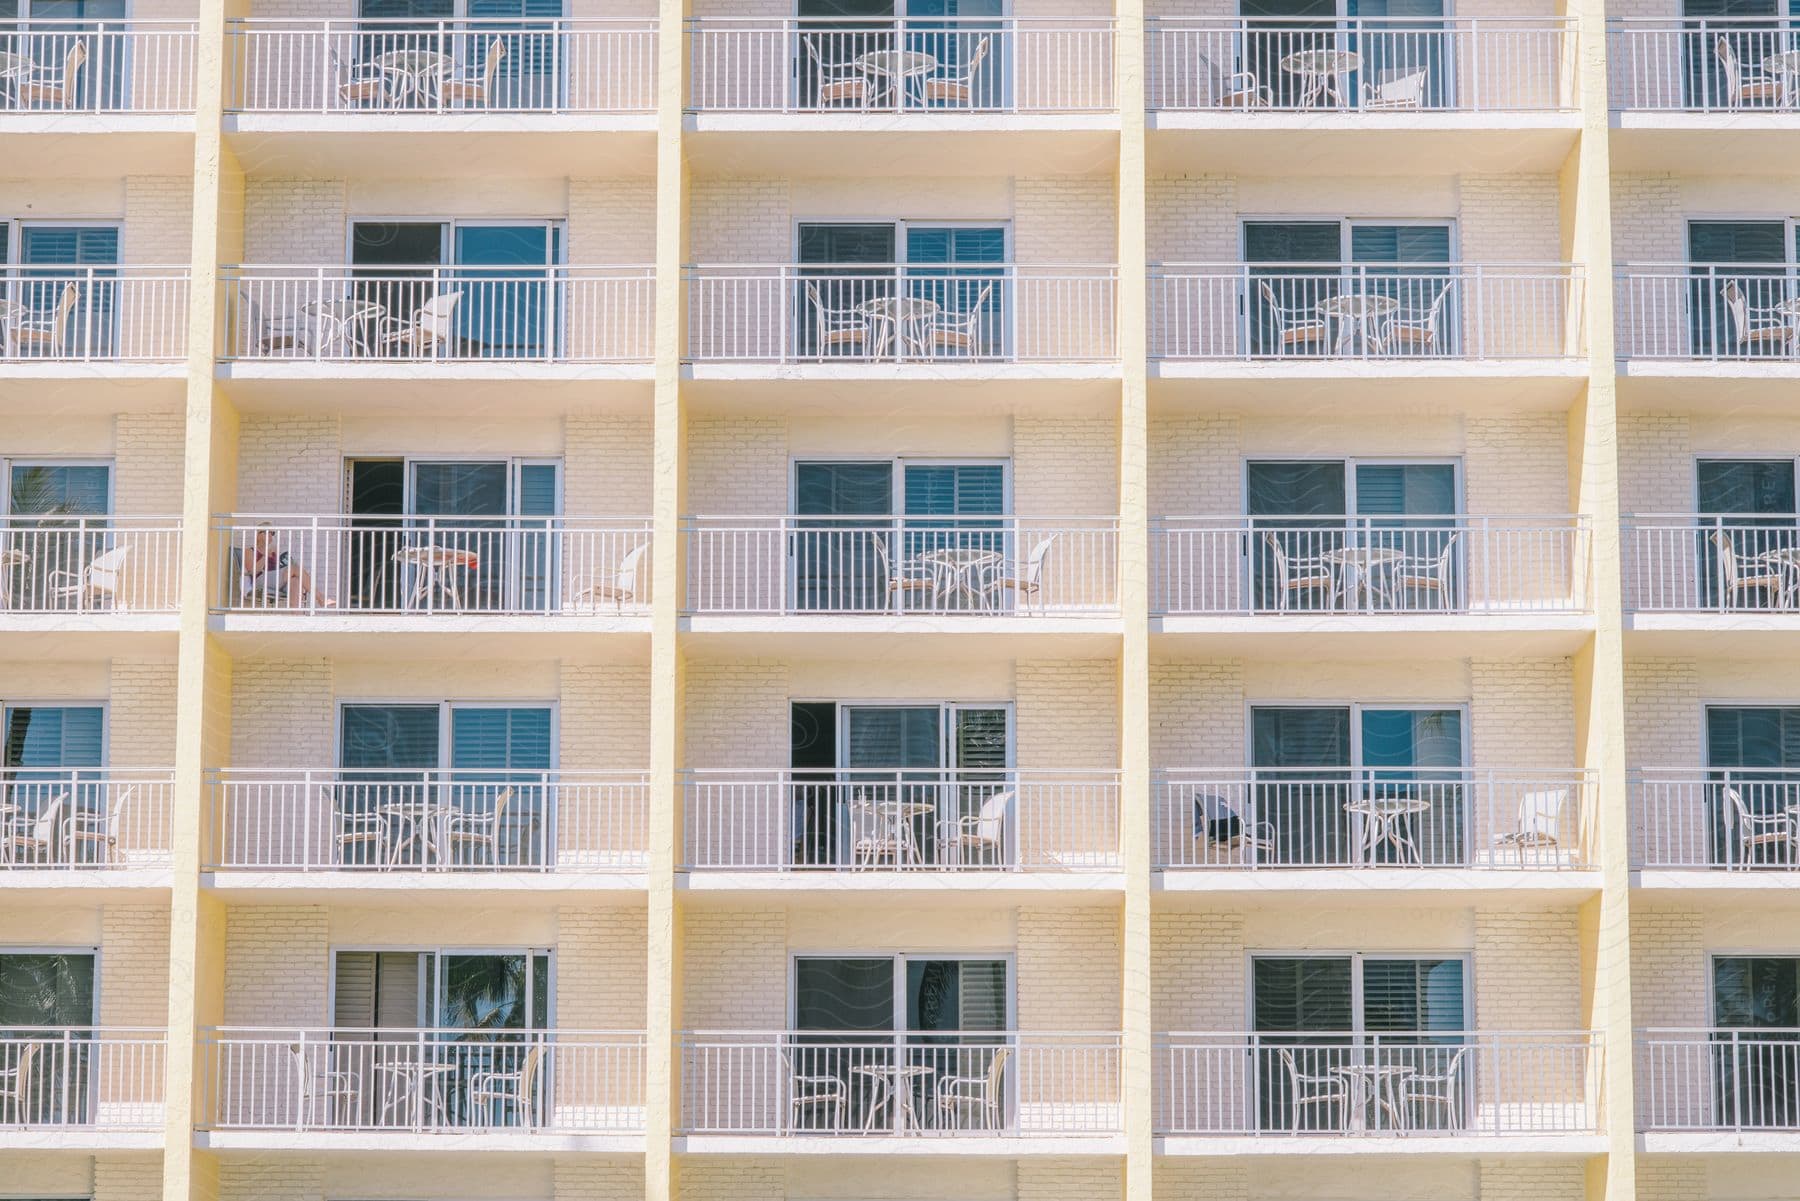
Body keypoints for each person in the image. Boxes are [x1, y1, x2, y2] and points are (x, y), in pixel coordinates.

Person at [239, 524, 334, 607]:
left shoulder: (273, 551)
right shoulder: (250, 551)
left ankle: (297, 616)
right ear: (259, 535)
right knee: (295, 568)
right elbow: (253, 571)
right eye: (268, 532)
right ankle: (320, 598)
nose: (271, 535)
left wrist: (281, 561)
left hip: (275, 579)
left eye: (273, 533)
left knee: (295, 581)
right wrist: (266, 555)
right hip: (261, 580)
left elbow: (277, 569)